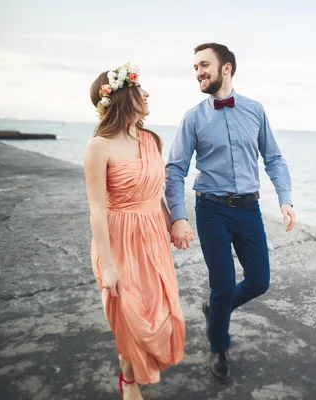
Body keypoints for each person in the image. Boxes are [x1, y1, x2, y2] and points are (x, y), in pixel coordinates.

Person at [165, 43, 296, 383]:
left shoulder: (255, 110)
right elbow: (175, 169)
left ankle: (215, 311)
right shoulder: (193, 117)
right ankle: (218, 344)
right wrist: (178, 216)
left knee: (259, 281)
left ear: (226, 68)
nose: (198, 72)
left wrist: (285, 198)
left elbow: (274, 158)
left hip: (249, 209)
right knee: (222, 284)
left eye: (204, 65)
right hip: (210, 210)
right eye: (194, 67)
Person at [84, 63, 185, 399]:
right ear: (124, 96)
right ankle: (129, 382)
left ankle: (131, 370)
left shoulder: (150, 139)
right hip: (118, 239)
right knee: (130, 317)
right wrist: (109, 265)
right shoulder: (98, 147)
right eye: (140, 89)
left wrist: (174, 221)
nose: (147, 93)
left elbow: (155, 192)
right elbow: (97, 207)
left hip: (152, 236)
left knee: (159, 317)